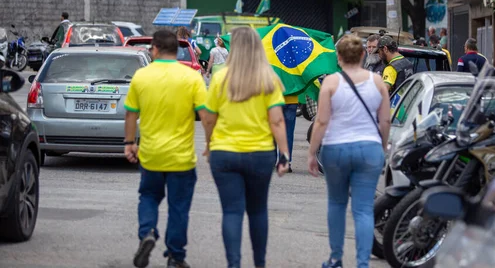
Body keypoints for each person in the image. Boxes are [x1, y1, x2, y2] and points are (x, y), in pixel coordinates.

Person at [200, 26, 289, 268]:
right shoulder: (269, 78)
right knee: (258, 211)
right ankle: (259, 263)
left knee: (231, 212)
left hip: (224, 153)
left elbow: (208, 118)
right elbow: (277, 120)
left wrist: (209, 145)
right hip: (260, 155)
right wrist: (284, 155)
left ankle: (234, 264)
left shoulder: (219, 77)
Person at [123, 30, 207, 268]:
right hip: (182, 158)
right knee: (179, 207)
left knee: (149, 196)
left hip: (150, 156)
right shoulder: (191, 77)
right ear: (176, 50)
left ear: (156, 49)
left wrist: (130, 143)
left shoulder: (142, 76)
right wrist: (211, 144)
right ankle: (175, 257)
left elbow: (131, 113)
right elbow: (206, 115)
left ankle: (147, 232)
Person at [308, 35, 390, 268]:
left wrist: (312, 153)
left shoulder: (331, 83)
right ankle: (362, 263)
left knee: (336, 203)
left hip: (337, 150)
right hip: (369, 150)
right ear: (364, 55)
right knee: (364, 209)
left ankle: (335, 258)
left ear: (339, 57)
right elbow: (385, 121)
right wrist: (382, 148)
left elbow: (321, 122)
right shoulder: (377, 82)